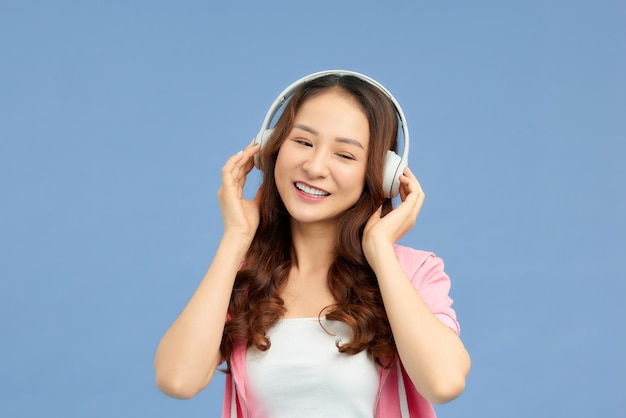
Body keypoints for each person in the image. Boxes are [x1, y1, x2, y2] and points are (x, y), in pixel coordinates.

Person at [154, 70, 470, 417]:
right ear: (271, 147)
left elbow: (444, 383)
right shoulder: (245, 277)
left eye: (345, 155)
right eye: (303, 142)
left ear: (382, 175)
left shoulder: (413, 273)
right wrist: (236, 238)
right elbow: (177, 379)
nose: (315, 166)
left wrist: (380, 251)